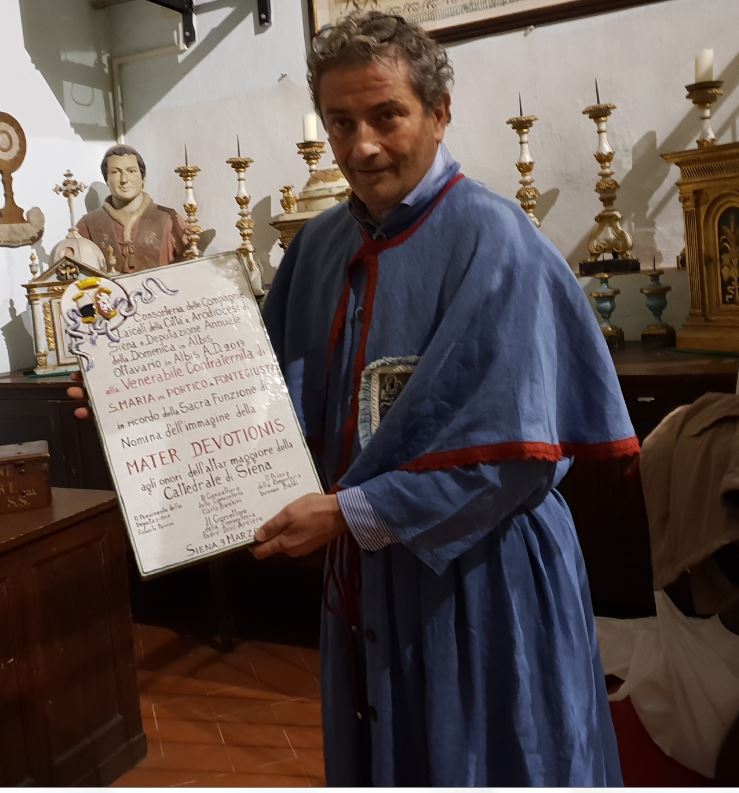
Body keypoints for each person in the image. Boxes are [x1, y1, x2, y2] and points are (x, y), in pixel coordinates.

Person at [252, 11, 638, 787]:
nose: (361, 146)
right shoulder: (316, 248)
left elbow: (515, 463)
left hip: (486, 579)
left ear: (438, 112)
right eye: (340, 122)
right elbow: (257, 395)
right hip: (365, 583)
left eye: (385, 116)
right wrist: (145, 419)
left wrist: (348, 514)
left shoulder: (497, 241)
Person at [77, 144, 187, 272]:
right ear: (107, 179)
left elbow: (191, 265)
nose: (124, 179)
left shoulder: (168, 219)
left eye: (131, 171)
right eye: (115, 172)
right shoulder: (89, 224)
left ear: (142, 177)